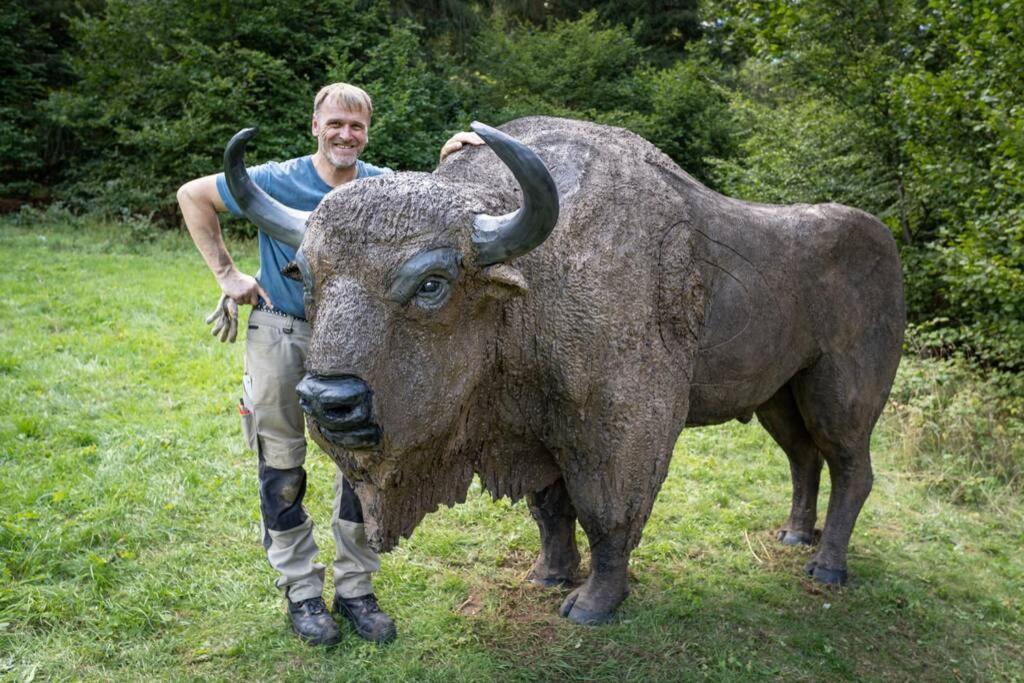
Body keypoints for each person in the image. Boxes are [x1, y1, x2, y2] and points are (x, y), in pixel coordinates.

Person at [176, 82, 481, 646]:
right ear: (315, 126)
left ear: (368, 132)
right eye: (336, 123)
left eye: (357, 126)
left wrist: (451, 162)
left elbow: (436, 210)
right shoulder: (272, 179)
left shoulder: (383, 186)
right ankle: (301, 593)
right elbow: (193, 196)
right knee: (283, 467)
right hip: (284, 332)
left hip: (362, 344)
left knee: (362, 463)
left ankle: (357, 590)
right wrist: (228, 275)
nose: (346, 134)